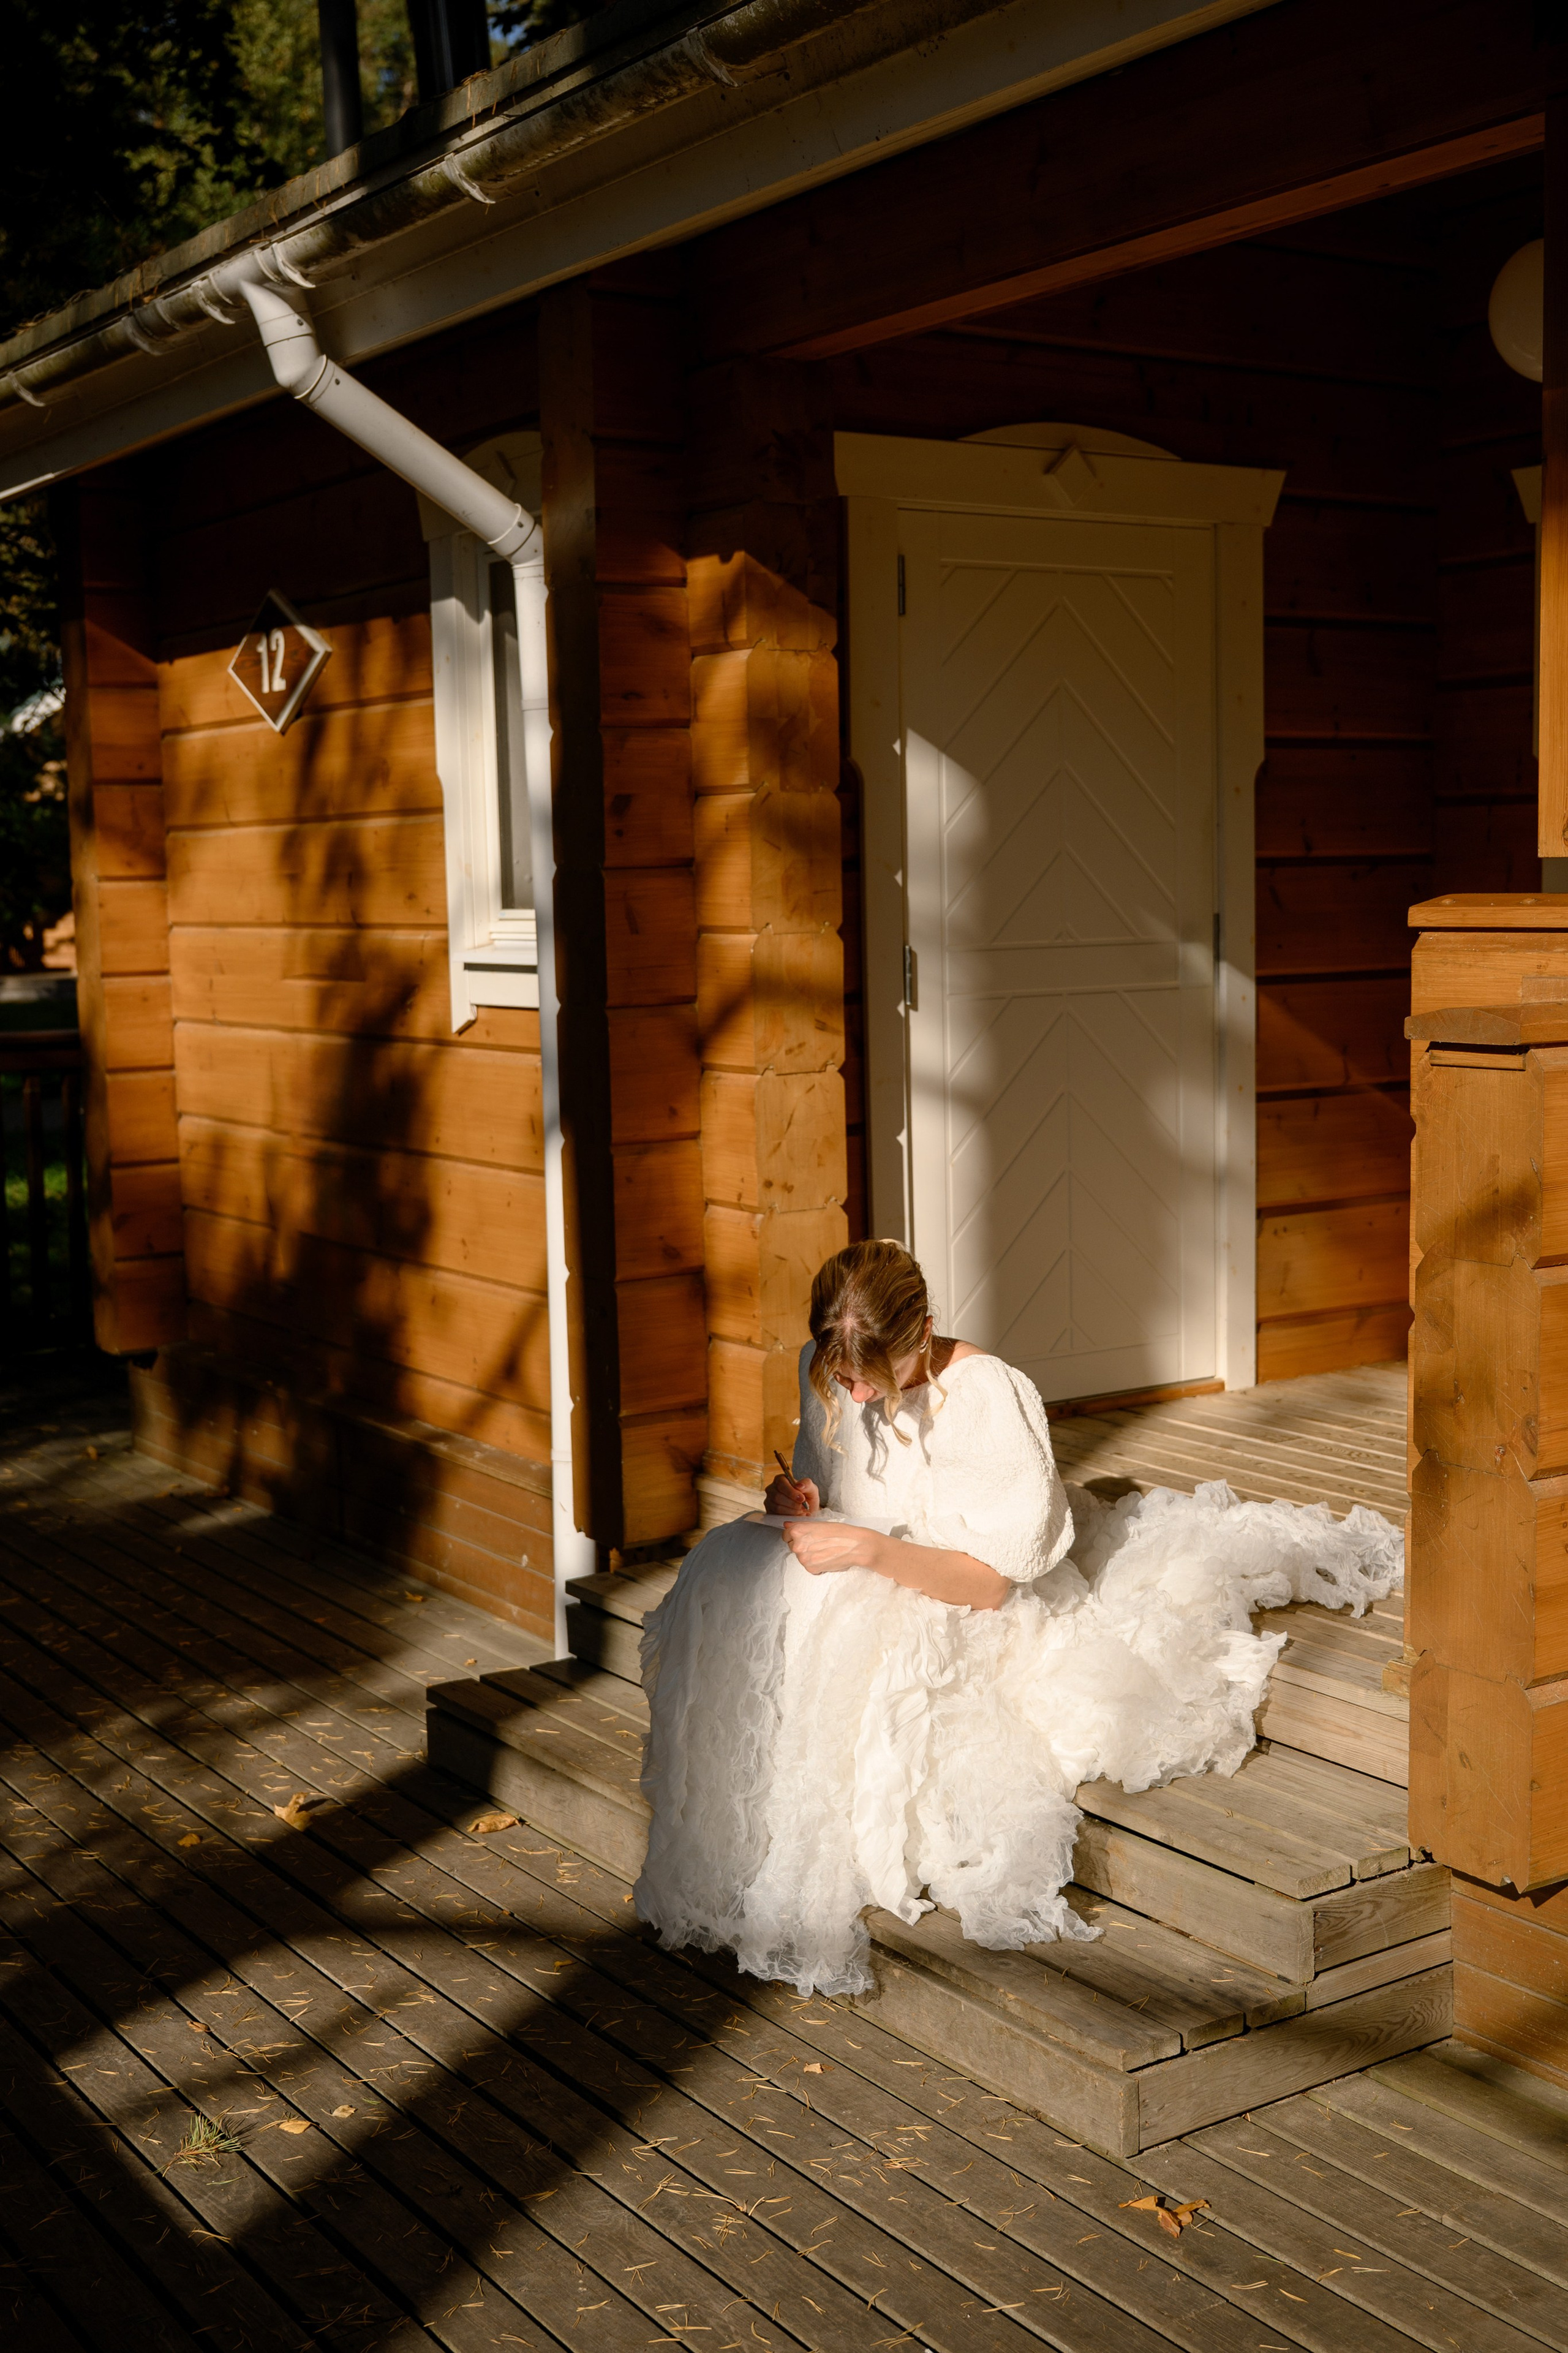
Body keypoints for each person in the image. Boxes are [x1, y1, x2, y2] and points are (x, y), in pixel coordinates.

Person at [634, 1239, 1400, 1998]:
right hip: (871, 1560)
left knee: (849, 1629)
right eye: (843, 1378)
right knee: (733, 1565)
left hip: (967, 1599)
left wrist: (870, 1551)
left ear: (923, 1330)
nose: (858, 1397)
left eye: (874, 1379)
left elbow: (990, 1586)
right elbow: (835, 1482)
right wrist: (803, 1499)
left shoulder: (986, 1399)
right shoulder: (832, 1368)